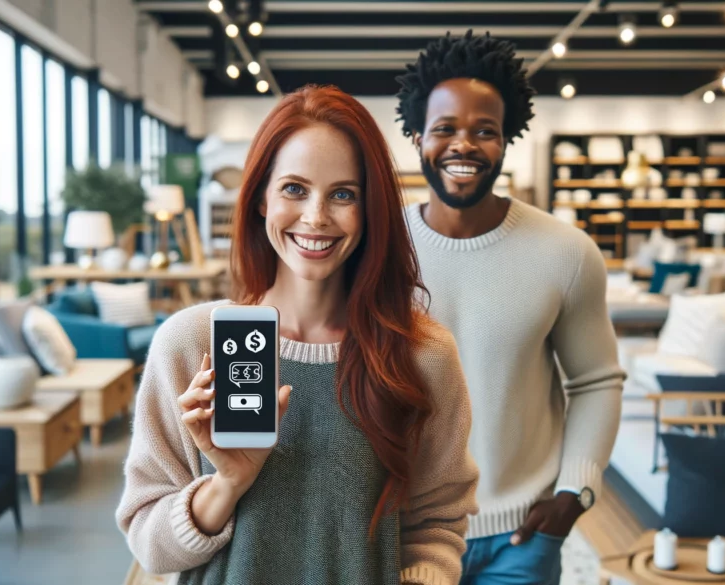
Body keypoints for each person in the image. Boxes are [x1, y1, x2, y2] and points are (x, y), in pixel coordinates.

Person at [116, 85, 479, 585]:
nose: (315, 217)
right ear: (261, 198)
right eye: (294, 188)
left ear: (371, 209)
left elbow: (437, 522)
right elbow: (149, 544)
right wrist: (227, 483)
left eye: (343, 194)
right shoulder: (192, 343)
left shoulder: (421, 354)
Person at [395, 31, 626, 584]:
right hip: (404, 533)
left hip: (519, 538)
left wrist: (575, 491)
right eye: (445, 128)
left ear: (506, 140)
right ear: (417, 137)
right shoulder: (378, 249)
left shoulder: (566, 253)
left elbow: (596, 380)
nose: (464, 145)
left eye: (485, 131)